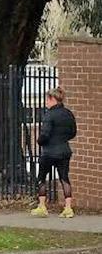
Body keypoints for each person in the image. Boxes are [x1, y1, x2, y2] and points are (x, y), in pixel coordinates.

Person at [32, 87, 78, 218]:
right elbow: (73, 132)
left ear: (52, 99)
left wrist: (40, 141)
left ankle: (42, 206)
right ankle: (68, 208)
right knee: (64, 178)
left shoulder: (49, 115)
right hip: (64, 151)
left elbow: (45, 134)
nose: (46, 102)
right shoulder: (68, 113)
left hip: (49, 152)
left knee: (41, 178)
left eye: (47, 99)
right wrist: (62, 139)